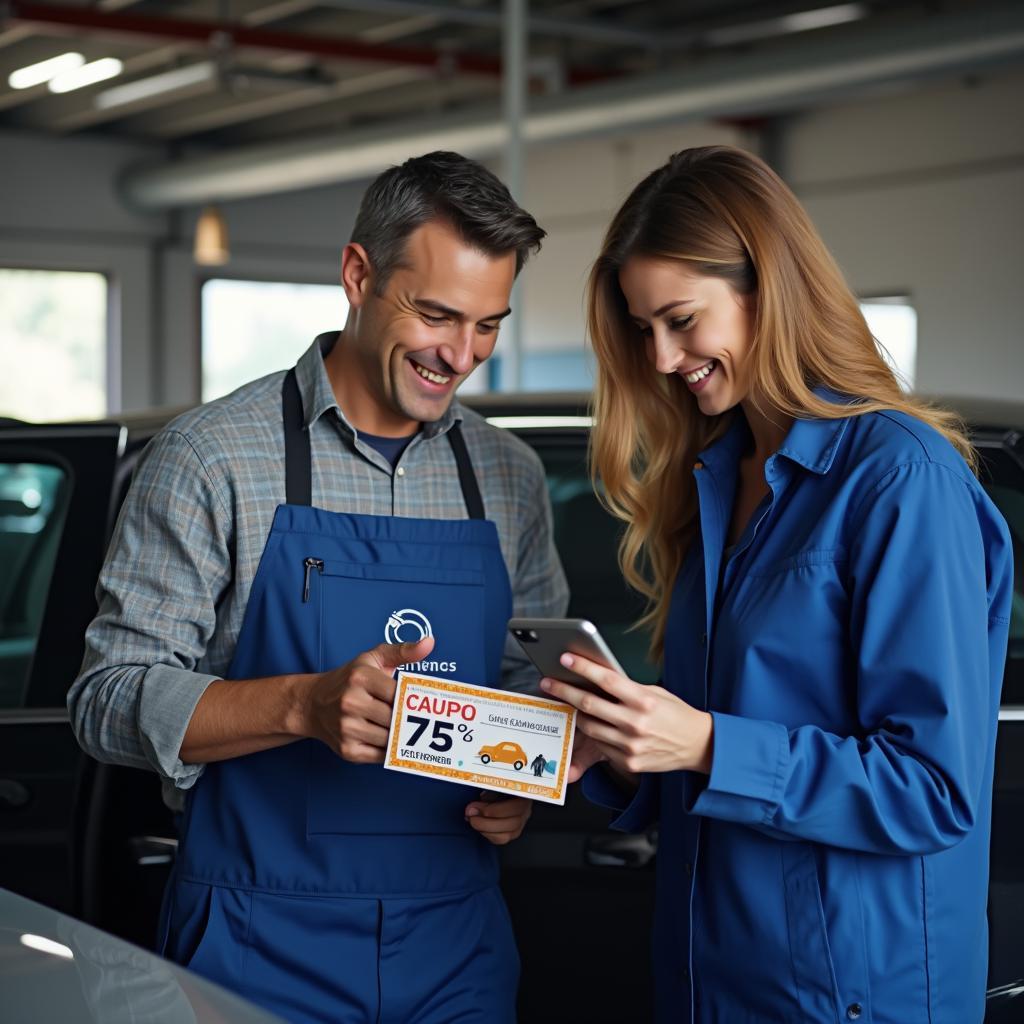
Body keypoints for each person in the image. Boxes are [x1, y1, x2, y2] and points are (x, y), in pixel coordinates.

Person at [68, 151, 569, 1024]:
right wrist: (303, 706)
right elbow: (105, 700)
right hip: (256, 940)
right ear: (358, 274)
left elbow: (530, 677)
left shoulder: (509, 475)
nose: (462, 355)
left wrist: (522, 779)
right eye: (438, 314)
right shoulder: (212, 459)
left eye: (489, 324)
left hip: (455, 943)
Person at [541, 145, 1013, 1023]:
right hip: (711, 975)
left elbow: (936, 789)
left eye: (681, 319)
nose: (662, 358)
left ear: (769, 286)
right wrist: (620, 746)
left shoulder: (898, 480)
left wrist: (709, 744)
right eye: (644, 330)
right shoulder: (717, 476)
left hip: (848, 994)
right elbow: (720, 727)